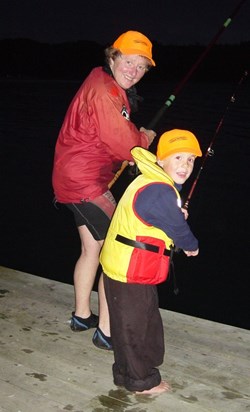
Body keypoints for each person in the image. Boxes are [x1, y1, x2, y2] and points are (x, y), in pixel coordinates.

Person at [52, 30, 157, 350]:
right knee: (117, 254)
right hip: (85, 184)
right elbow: (126, 146)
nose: (134, 70)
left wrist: (132, 132)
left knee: (91, 249)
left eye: (141, 66)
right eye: (128, 61)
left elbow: (111, 129)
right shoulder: (103, 92)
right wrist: (145, 139)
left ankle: (82, 315)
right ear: (112, 57)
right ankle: (107, 332)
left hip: (72, 179)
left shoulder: (102, 81)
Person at [100, 129, 202, 393]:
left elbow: (154, 218)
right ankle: (140, 382)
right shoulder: (160, 191)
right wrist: (191, 246)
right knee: (134, 328)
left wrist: (173, 214)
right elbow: (179, 232)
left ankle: (127, 373)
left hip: (127, 266)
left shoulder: (152, 181)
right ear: (161, 160)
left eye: (191, 160)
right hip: (129, 270)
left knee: (137, 321)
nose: (185, 165)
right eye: (178, 157)